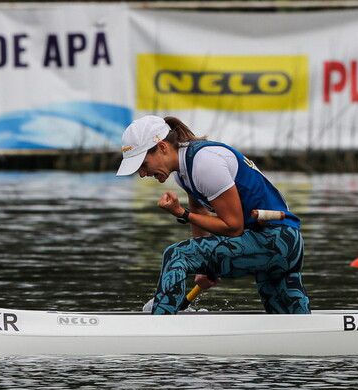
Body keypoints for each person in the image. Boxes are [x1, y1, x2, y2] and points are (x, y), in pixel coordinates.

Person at [116, 115, 309, 315]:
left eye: (143, 164)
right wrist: (204, 267)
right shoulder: (184, 170)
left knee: (176, 255)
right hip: (284, 241)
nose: (142, 173)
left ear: (163, 147)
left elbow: (234, 227)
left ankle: (161, 322)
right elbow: (200, 211)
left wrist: (182, 213)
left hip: (274, 240)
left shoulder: (204, 162)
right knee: (290, 320)